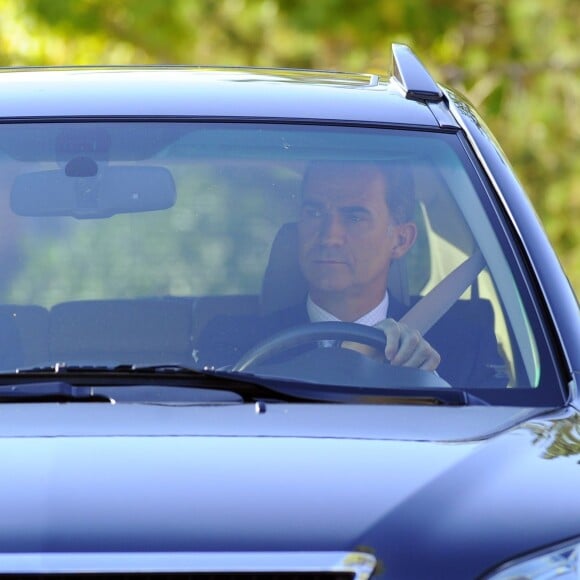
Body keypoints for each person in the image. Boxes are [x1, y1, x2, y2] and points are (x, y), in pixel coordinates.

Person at [197, 160, 506, 386]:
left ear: (401, 240)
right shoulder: (232, 341)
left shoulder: (463, 345)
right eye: (314, 213)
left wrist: (430, 386)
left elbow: (499, 434)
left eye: (354, 217)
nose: (330, 236)